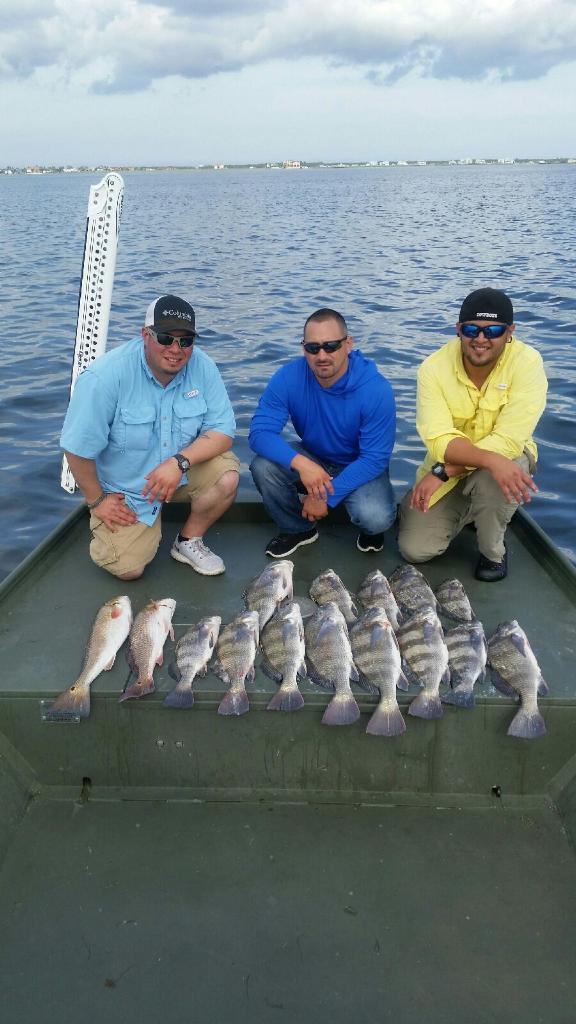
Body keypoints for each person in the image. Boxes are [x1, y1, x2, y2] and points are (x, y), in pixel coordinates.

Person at [60, 294, 239, 580]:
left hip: (178, 472)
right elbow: (76, 448)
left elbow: (223, 432)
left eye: (186, 341)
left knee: (228, 476)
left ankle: (188, 541)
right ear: (145, 335)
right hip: (128, 491)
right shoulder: (104, 378)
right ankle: (114, 525)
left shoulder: (203, 367)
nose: (176, 349)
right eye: (166, 338)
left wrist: (178, 462)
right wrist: (97, 500)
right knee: (129, 571)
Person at [397, 287, 548, 581]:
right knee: (414, 550)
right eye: (471, 329)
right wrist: (448, 466)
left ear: (509, 332)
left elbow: (507, 441)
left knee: (498, 471)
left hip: (502, 460)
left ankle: (493, 552)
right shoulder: (432, 368)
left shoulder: (528, 363)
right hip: (450, 462)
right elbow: (439, 439)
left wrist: (445, 470)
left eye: (493, 330)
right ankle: (470, 511)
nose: (481, 339)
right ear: (458, 330)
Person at [249, 307, 396, 557]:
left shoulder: (376, 389)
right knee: (263, 466)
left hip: (360, 464)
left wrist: (325, 497)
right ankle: (298, 528)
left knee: (375, 517)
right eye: (313, 348)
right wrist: (303, 465)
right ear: (303, 348)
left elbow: (375, 458)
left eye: (331, 346)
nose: (322, 355)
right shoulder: (288, 377)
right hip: (314, 457)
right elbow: (259, 432)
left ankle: (370, 531)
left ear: (348, 344)